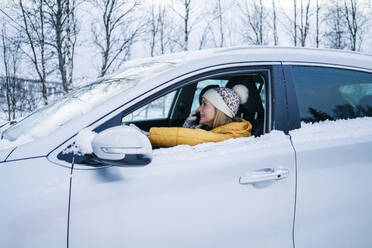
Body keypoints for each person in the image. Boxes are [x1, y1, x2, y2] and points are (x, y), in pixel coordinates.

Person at [148, 84, 252, 148]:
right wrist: (189, 127)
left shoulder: (232, 137)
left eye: (204, 104)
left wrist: (149, 135)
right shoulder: (215, 130)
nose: (198, 109)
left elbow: (195, 138)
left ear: (219, 109)